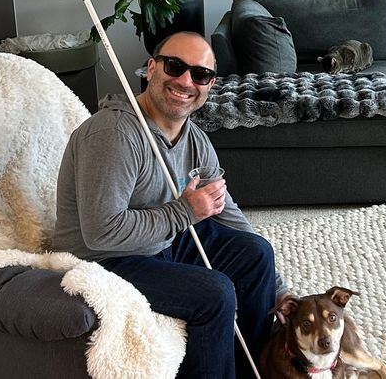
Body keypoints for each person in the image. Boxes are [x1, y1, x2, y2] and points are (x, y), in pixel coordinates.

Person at [52, 31, 284, 378]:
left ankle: (251, 368)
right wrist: (185, 211)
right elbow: (101, 233)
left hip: (162, 242)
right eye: (175, 66)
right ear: (151, 69)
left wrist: (280, 290)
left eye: (200, 74)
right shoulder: (114, 134)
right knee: (214, 294)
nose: (186, 81)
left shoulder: (195, 139)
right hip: (105, 258)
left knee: (256, 253)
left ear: (209, 85)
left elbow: (226, 210)